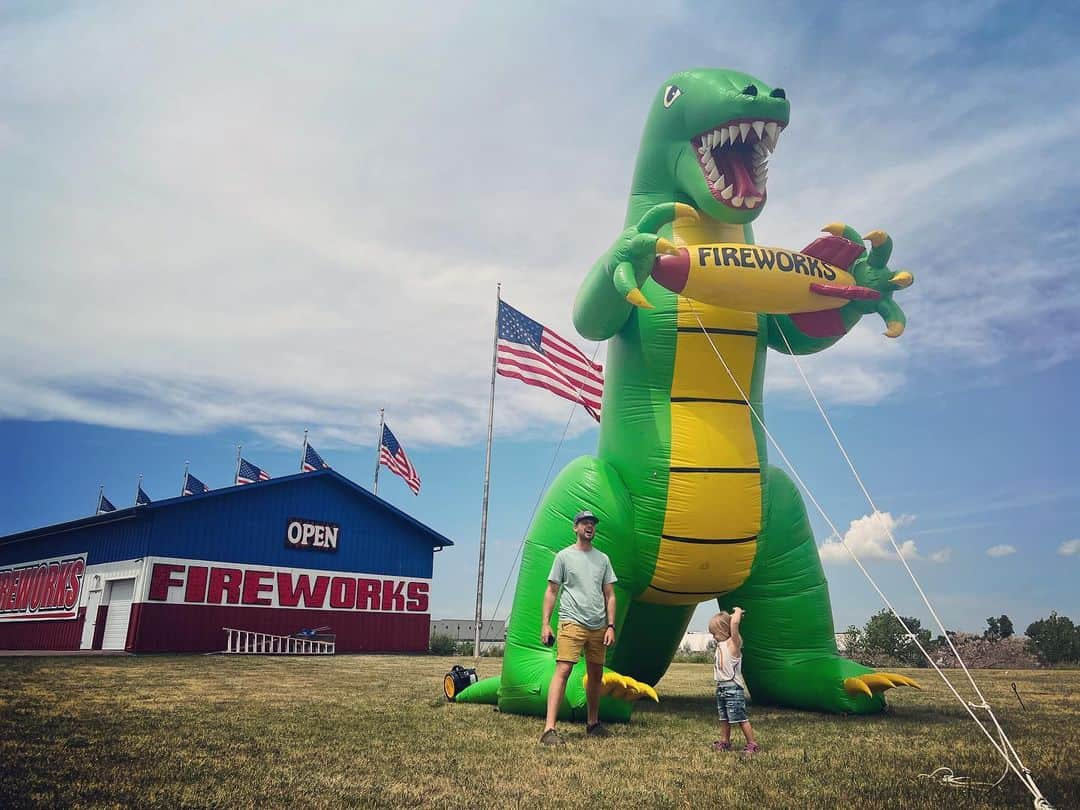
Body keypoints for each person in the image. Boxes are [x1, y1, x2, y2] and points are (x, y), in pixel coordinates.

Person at [538, 509, 617, 745]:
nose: (589, 526)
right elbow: (552, 591)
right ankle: (549, 730)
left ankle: (593, 724)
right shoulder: (563, 557)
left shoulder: (603, 559)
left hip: (598, 626)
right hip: (571, 621)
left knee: (596, 674)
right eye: (584, 522)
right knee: (563, 670)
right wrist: (545, 624)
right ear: (575, 528)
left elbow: (610, 594)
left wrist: (611, 626)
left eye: (592, 523)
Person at [709, 607, 759, 756]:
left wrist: (737, 612)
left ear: (725, 631)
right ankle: (725, 741)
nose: (713, 637)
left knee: (740, 718)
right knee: (724, 718)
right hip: (722, 689)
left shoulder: (734, 644)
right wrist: (725, 619)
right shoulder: (721, 645)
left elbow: (734, 624)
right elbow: (727, 624)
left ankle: (752, 744)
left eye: (714, 633)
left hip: (733, 689)